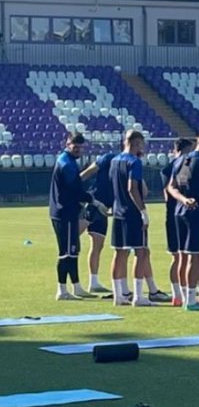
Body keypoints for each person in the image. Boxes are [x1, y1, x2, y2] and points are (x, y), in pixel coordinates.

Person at [49, 133, 106, 300]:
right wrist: (93, 201)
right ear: (68, 144)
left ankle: (76, 287)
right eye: (75, 147)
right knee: (66, 253)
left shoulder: (68, 161)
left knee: (73, 251)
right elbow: (75, 191)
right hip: (64, 213)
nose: (78, 150)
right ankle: (62, 290)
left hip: (68, 212)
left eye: (81, 147)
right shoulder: (67, 164)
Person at [167, 133, 199, 311]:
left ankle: (181, 296)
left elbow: (172, 186)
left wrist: (183, 199)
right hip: (197, 212)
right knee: (195, 256)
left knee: (182, 256)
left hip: (179, 211)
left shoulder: (182, 160)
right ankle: (191, 299)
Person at [109, 130, 152, 307]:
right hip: (132, 213)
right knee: (141, 252)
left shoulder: (114, 161)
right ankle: (138, 295)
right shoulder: (134, 162)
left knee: (119, 253)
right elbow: (132, 188)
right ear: (136, 142)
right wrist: (143, 211)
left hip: (118, 211)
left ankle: (118, 295)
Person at [79, 149, 117, 294]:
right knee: (72, 239)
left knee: (98, 245)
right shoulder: (108, 157)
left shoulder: (128, 163)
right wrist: (73, 189)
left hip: (105, 208)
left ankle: (93, 282)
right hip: (94, 203)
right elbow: (87, 173)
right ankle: (69, 278)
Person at [162, 138, 192, 305]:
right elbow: (168, 191)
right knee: (182, 256)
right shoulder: (178, 166)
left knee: (178, 256)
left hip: (172, 215)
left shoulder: (168, 168)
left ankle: (177, 294)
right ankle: (181, 293)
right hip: (179, 213)